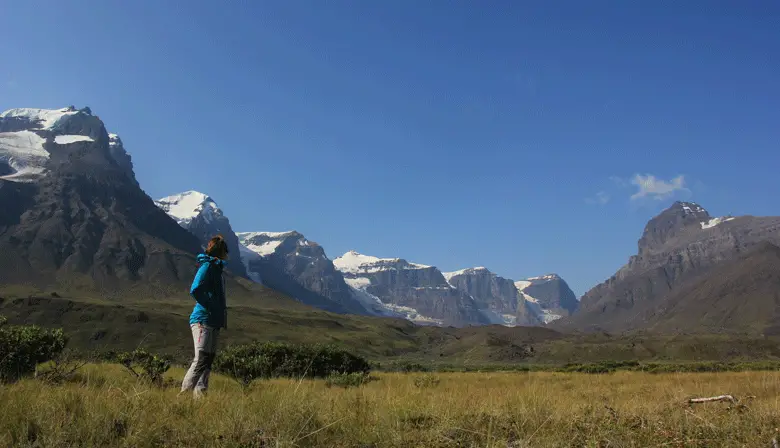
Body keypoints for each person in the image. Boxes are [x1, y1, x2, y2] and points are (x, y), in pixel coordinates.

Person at [180, 234, 228, 398]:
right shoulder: (208, 267)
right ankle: (184, 396)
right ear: (221, 252)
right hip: (203, 319)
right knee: (201, 360)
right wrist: (210, 305)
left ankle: (200, 398)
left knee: (207, 361)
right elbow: (196, 288)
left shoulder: (216, 269)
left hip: (213, 321)